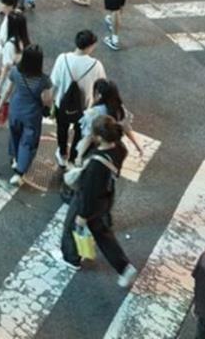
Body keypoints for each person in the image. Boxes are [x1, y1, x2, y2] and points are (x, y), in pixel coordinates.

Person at [60, 115, 138, 287]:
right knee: (102, 234)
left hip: (88, 202)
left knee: (70, 226)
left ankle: (71, 258)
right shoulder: (120, 149)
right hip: (106, 198)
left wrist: (83, 215)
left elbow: (89, 192)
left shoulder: (97, 164)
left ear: (100, 137)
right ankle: (124, 267)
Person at [50, 30, 106, 167]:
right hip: (84, 107)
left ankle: (62, 154)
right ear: (90, 46)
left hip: (62, 105)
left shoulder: (62, 59)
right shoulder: (96, 65)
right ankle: (73, 157)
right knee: (79, 132)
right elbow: (102, 85)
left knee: (62, 130)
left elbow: (54, 82)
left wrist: (50, 102)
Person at [0, 45, 53, 187]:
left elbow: (8, 90)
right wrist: (49, 108)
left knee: (14, 134)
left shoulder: (16, 72)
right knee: (27, 142)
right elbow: (47, 99)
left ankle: (14, 158)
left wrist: (0, 104)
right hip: (32, 114)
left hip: (15, 108)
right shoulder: (43, 80)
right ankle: (19, 172)